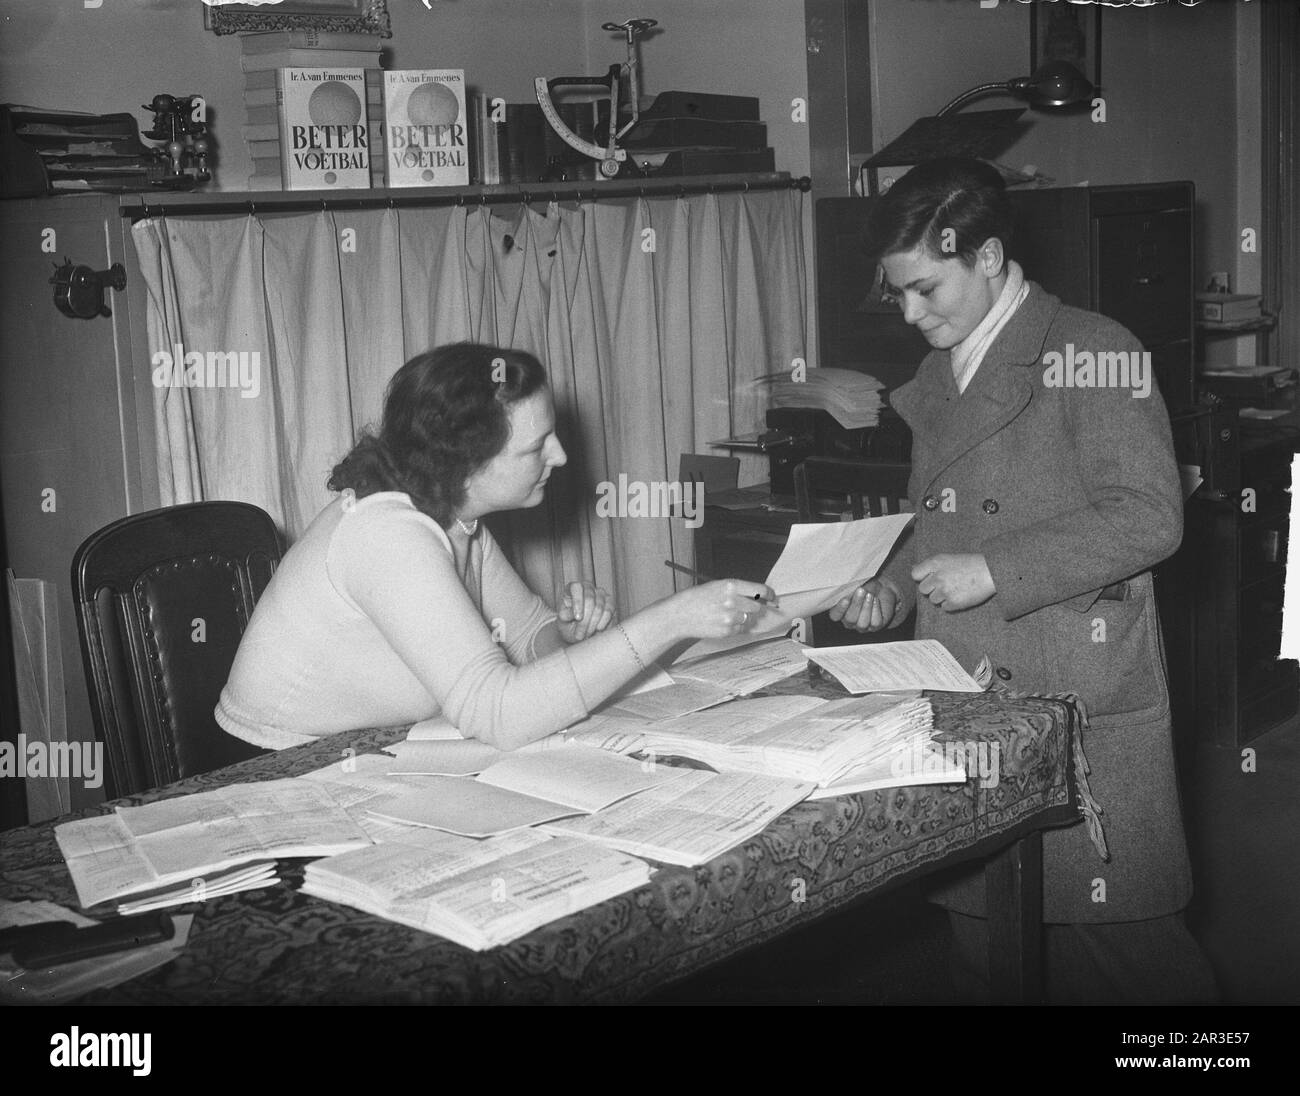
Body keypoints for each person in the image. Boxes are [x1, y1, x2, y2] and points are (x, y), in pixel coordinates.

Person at [832, 158, 1217, 1004]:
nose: (909, 312)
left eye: (926, 289)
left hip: (1071, 694)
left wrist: (997, 569)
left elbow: (1152, 515)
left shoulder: (1092, 348)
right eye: (897, 295)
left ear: (991, 256)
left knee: (1128, 957)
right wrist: (892, 586)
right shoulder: (939, 377)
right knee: (988, 953)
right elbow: (928, 520)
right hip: (967, 692)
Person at [216, 342, 773, 752]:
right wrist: (671, 619)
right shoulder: (386, 535)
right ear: (468, 461)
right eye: (536, 447)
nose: (559, 456)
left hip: (370, 751)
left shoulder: (457, 520)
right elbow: (500, 712)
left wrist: (567, 635)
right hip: (277, 766)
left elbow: (530, 637)